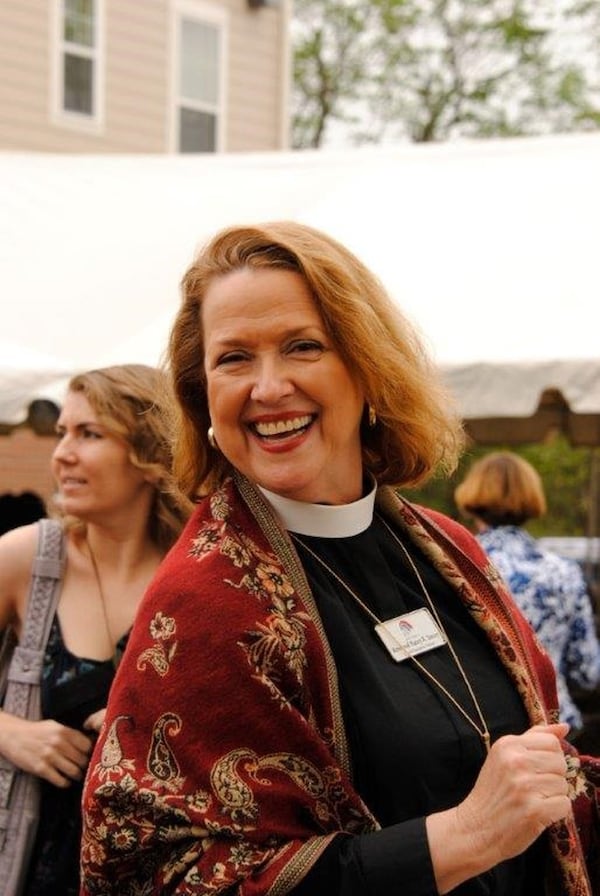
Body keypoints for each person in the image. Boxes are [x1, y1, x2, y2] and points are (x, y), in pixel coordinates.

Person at [80, 223, 599, 896]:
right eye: (234, 358)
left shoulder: (447, 549)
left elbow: (545, 779)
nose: (268, 388)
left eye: (303, 346)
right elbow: (152, 875)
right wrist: (459, 840)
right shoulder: (204, 602)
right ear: (200, 391)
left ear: (367, 368)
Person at [0, 364, 193, 896]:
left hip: (162, 874)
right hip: (33, 867)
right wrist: (10, 732)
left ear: (149, 455)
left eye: (89, 434)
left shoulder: (197, 576)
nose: (62, 453)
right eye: (62, 433)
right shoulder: (27, 559)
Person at [454, 450, 600, 735]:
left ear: (472, 496)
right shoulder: (564, 571)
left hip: (481, 729)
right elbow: (588, 673)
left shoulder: (456, 565)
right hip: (555, 729)